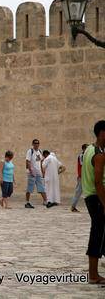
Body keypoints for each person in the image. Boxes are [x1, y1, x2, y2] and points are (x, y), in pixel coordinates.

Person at [83, 120, 105, 285]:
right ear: (102, 133)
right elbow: (98, 182)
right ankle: (93, 274)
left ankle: (94, 273)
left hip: (91, 197)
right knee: (98, 234)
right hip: (98, 198)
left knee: (99, 233)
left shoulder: (89, 149)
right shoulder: (98, 154)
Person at [25, 139, 47, 208]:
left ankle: (45, 201)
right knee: (30, 188)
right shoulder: (30, 151)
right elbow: (27, 161)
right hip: (32, 173)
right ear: (33, 144)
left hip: (38, 173)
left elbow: (41, 162)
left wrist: (42, 171)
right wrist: (31, 171)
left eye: (37, 143)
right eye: (35, 143)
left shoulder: (40, 151)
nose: (36, 144)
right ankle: (27, 202)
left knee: (41, 187)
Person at [71, 144, 87, 212]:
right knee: (78, 192)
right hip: (82, 176)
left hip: (86, 176)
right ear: (83, 149)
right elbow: (82, 164)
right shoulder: (81, 156)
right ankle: (73, 206)